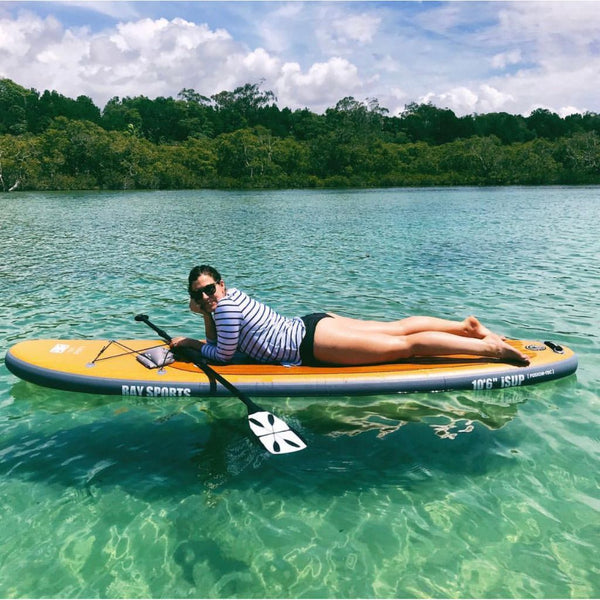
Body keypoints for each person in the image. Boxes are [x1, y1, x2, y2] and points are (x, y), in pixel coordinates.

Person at [171, 265, 530, 367]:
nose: (206, 297)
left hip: (310, 343)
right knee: (396, 329)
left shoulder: (226, 308)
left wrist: (188, 342)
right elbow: (225, 339)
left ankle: (492, 351)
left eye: (209, 290)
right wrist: (206, 314)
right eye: (198, 295)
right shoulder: (231, 298)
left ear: (221, 284)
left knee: (404, 347)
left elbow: (223, 356)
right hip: (313, 322)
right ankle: (465, 328)